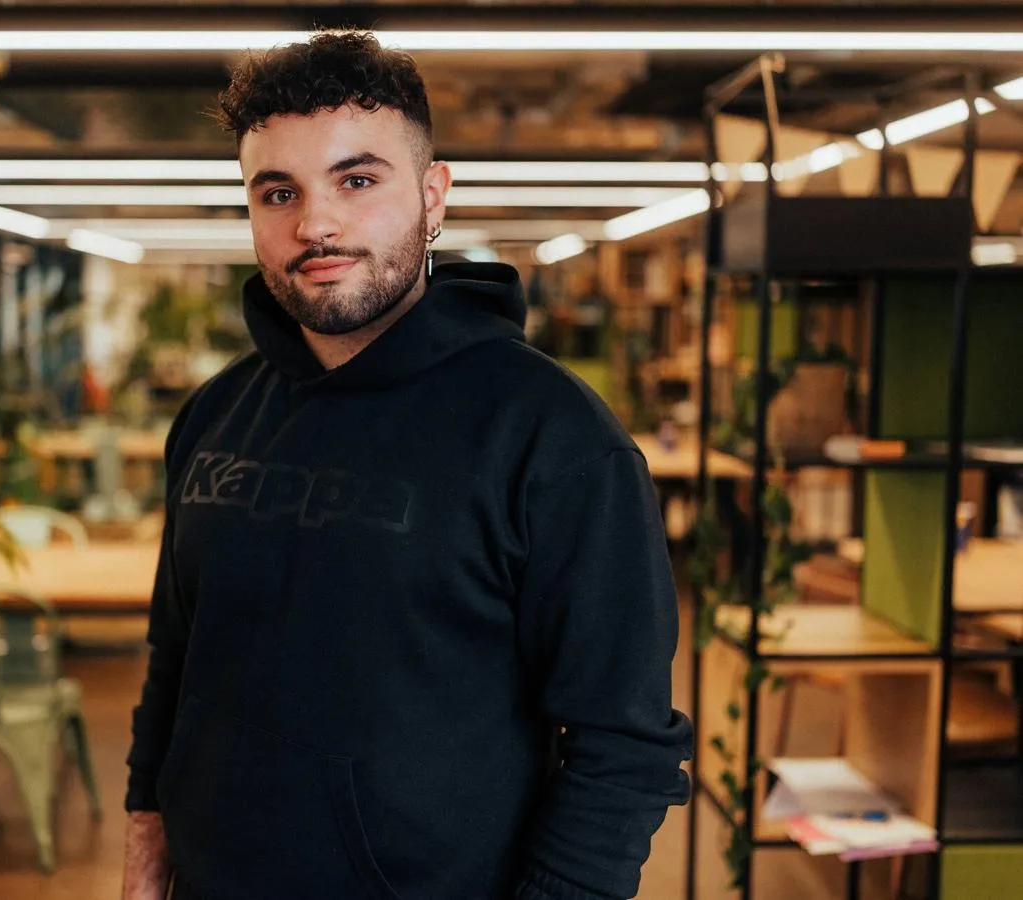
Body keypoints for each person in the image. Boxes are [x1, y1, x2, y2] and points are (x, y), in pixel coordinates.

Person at [123, 30, 692, 900]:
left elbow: (623, 747)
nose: (315, 223)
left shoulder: (555, 439)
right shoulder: (214, 415)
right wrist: (146, 846)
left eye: (357, 179)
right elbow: (175, 660)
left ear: (434, 195)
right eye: (278, 192)